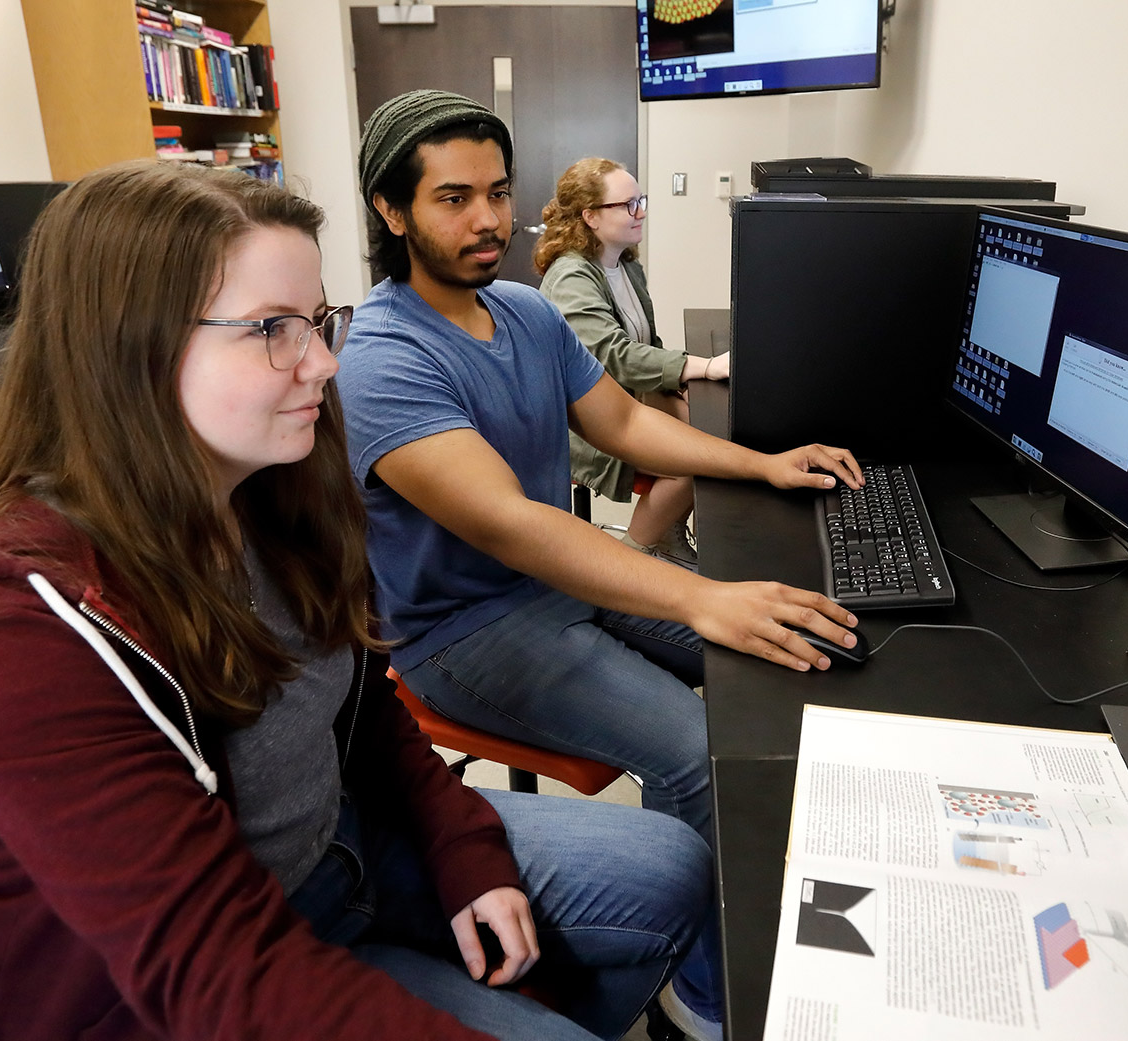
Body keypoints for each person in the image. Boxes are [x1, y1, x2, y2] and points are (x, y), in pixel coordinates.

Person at [0, 161, 710, 1041]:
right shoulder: (9, 619)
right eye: (273, 328)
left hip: (340, 848)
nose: (323, 361)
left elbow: (357, 707)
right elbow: (215, 976)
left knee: (669, 867)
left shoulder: (268, 481)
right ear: (128, 346)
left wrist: (461, 846)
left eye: (315, 320)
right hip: (189, 989)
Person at [340, 90, 865, 1039]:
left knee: (775, 668)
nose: (490, 219)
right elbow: (511, 523)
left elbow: (621, 422)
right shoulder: (380, 357)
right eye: (453, 198)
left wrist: (765, 464)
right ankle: (706, 996)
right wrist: (703, 597)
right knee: (696, 751)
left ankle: (777, 892)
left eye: (498, 193)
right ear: (391, 210)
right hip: (466, 632)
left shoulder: (527, 312)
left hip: (561, 582)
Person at [534, 157, 729, 567]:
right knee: (695, 461)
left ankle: (667, 534)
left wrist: (678, 379)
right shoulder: (572, 276)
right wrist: (704, 367)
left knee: (715, 429)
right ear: (589, 216)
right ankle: (636, 556)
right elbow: (614, 355)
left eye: (641, 200)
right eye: (628, 205)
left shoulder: (624, 265)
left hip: (625, 397)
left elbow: (646, 342)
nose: (640, 212)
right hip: (583, 418)